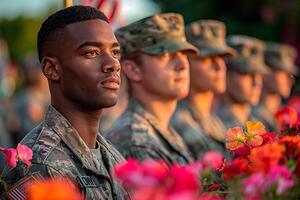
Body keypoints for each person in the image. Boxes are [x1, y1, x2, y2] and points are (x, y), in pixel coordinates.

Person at [1, 6, 130, 200]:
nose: (113, 64)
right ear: (52, 69)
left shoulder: (111, 155)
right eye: (91, 53)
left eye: (115, 51)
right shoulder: (38, 166)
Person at [104, 13, 198, 165]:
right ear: (133, 70)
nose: (183, 64)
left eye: (183, 53)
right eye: (165, 54)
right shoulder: (135, 141)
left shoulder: (164, 129)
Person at [171, 20, 236, 159]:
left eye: (221, 57)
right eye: (207, 58)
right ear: (185, 62)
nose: (219, 66)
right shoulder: (180, 123)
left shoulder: (214, 122)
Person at [217, 35, 270, 129]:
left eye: (259, 74)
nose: (257, 82)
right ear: (226, 75)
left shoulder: (259, 124)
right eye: (246, 73)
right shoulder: (218, 126)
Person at [252, 42, 298, 132]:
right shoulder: (252, 118)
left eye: (291, 75)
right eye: (284, 73)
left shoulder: (288, 114)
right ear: (265, 73)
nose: (290, 80)